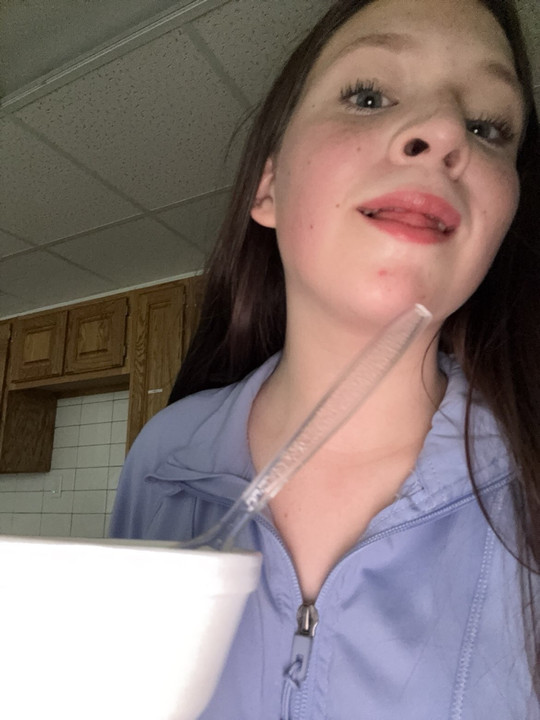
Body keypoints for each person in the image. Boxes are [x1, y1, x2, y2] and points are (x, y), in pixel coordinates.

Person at [110, 0, 540, 717]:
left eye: (487, 127)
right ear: (269, 187)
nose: (443, 131)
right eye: (368, 96)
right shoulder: (161, 460)